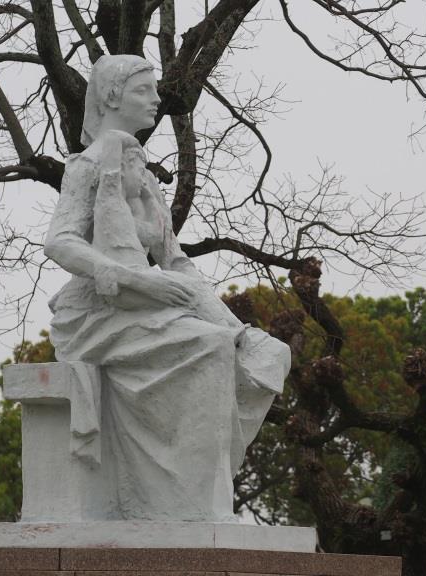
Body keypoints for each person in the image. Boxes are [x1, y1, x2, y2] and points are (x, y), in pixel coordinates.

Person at [43, 55, 288, 522]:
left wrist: (237, 329)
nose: (157, 98)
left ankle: (195, 490)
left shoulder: (147, 180)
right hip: (97, 317)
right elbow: (60, 241)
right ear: (113, 96)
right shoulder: (88, 167)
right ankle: (179, 501)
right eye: (144, 90)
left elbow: (176, 263)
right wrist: (129, 279)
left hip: (148, 311)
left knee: (262, 355)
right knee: (207, 349)